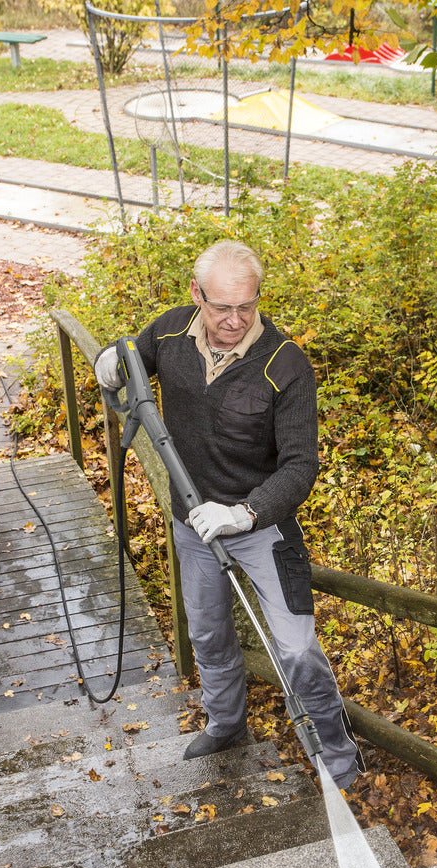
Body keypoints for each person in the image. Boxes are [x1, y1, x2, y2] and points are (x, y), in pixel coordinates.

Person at [97, 240, 364, 790]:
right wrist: (111, 360)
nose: (235, 320)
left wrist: (246, 513)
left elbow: (300, 466)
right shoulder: (171, 331)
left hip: (262, 528)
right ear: (198, 296)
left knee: (296, 648)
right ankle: (226, 723)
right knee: (209, 633)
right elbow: (133, 356)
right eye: (221, 308)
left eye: (247, 306)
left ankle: (338, 756)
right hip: (192, 522)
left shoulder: (284, 365)